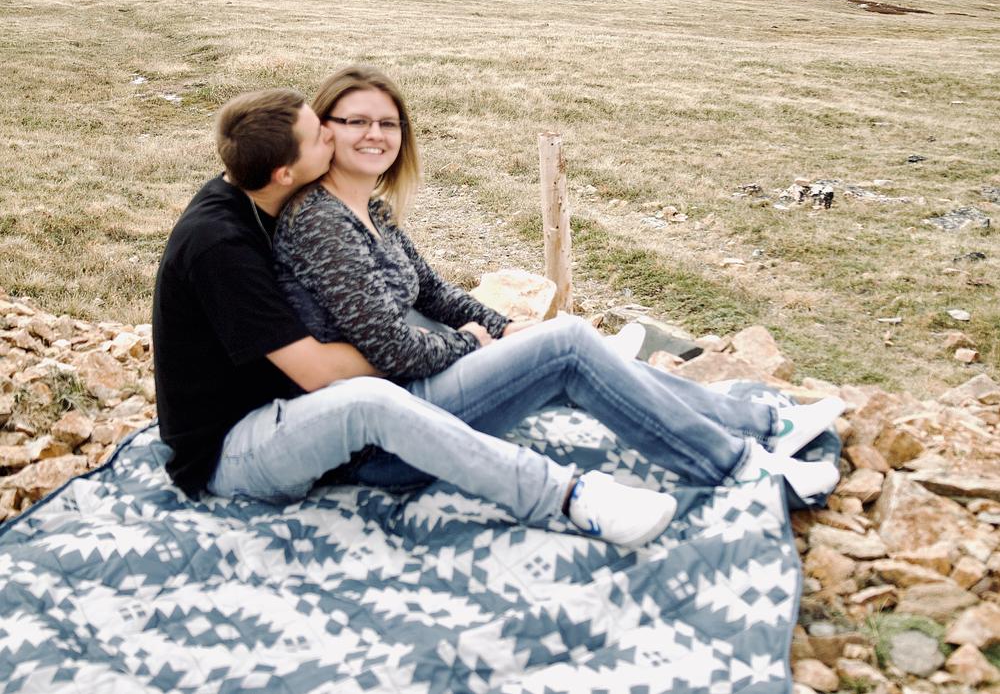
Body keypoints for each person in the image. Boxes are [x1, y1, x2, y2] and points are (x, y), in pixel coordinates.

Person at [272, 65, 843, 508]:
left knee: (565, 342)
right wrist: (472, 344)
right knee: (566, 346)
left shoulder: (369, 209)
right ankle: (741, 469)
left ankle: (766, 426)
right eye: (356, 121)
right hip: (380, 440)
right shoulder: (321, 220)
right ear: (323, 129)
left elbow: (434, 293)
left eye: (388, 123)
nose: (375, 134)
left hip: (413, 400)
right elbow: (391, 350)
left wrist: (502, 328)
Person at [152, 88, 689, 549]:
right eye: (320, 135)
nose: (334, 136)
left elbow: (420, 293)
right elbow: (318, 373)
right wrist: (453, 344)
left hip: (290, 409)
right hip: (232, 450)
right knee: (369, 396)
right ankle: (570, 497)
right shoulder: (219, 245)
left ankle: (569, 362)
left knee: (403, 318)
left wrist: (489, 333)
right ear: (284, 172)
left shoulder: (262, 192)